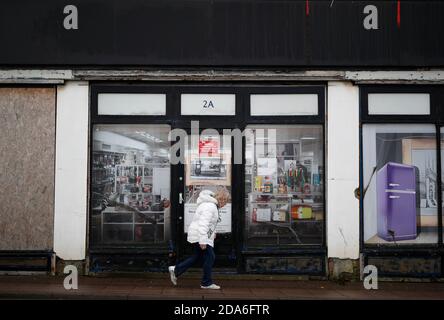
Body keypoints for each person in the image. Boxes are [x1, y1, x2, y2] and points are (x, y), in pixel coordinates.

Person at [168, 188, 230, 290]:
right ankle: (206, 283)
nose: (226, 204)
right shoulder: (210, 206)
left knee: (197, 257)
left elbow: (209, 223)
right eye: (226, 201)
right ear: (222, 199)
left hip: (199, 235)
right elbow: (203, 224)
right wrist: (203, 240)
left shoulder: (210, 205)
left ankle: (176, 270)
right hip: (199, 236)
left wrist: (213, 233)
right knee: (210, 257)